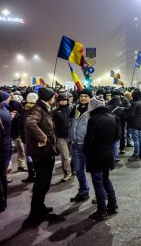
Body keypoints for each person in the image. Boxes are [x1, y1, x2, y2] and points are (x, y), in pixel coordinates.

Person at [24, 87, 60, 223]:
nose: (55, 98)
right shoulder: (38, 109)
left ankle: (40, 207)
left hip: (45, 151)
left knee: (44, 183)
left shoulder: (43, 107)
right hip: (41, 152)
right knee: (41, 182)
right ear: (49, 97)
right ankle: (36, 213)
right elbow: (30, 123)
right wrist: (42, 138)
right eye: (53, 96)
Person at [83, 95, 120, 221]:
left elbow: (89, 140)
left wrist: (85, 151)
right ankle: (113, 204)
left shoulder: (93, 119)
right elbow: (117, 136)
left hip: (96, 155)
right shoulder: (112, 117)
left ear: (93, 106)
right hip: (108, 153)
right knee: (105, 179)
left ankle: (101, 210)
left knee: (98, 183)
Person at [68, 88, 92, 203]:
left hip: (89, 145)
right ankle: (83, 191)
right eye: (81, 96)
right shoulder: (75, 108)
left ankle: (101, 194)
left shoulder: (93, 110)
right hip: (76, 145)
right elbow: (71, 123)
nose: (83, 98)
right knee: (78, 170)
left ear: (90, 98)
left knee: (96, 173)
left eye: (85, 96)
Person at [52, 93, 72, 182]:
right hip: (61, 137)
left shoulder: (72, 110)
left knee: (75, 155)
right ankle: (67, 173)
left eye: (64, 100)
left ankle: (73, 169)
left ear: (67, 100)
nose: (63, 102)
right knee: (65, 156)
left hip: (72, 136)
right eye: (61, 100)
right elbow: (52, 125)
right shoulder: (55, 112)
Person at [0, 91, 12, 212]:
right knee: (2, 175)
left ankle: (1, 202)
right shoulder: (5, 110)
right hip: (5, 146)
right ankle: (3, 200)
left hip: (2, 147)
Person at [127, 90, 141, 161]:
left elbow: (131, 115)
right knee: (140, 139)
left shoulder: (135, 103)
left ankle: (136, 155)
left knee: (136, 140)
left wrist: (127, 111)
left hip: (134, 123)